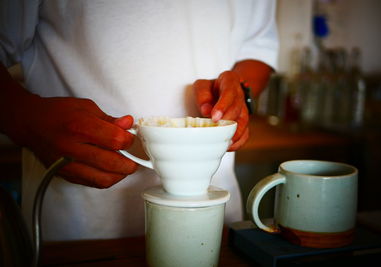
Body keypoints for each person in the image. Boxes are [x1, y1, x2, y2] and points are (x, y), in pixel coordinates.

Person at [0, 1, 278, 241]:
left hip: (214, 221)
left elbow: (257, 48)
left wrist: (239, 93)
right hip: (78, 230)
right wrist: (25, 118)